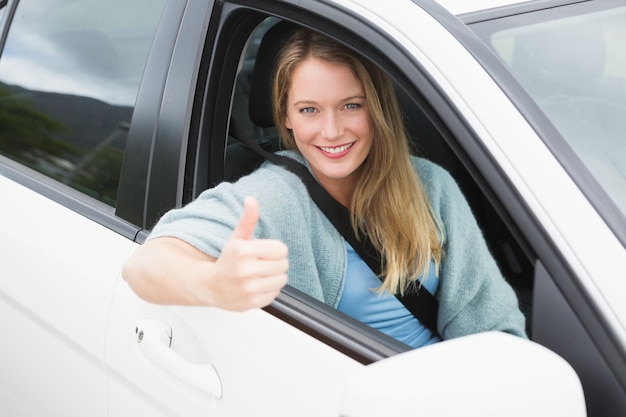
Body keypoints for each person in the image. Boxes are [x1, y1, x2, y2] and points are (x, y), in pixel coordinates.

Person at [123, 26, 527, 349]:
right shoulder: (273, 198)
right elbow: (144, 266)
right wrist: (214, 285)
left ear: (378, 107)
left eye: (351, 105)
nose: (331, 131)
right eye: (309, 110)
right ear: (285, 117)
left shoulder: (431, 186)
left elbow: (492, 325)